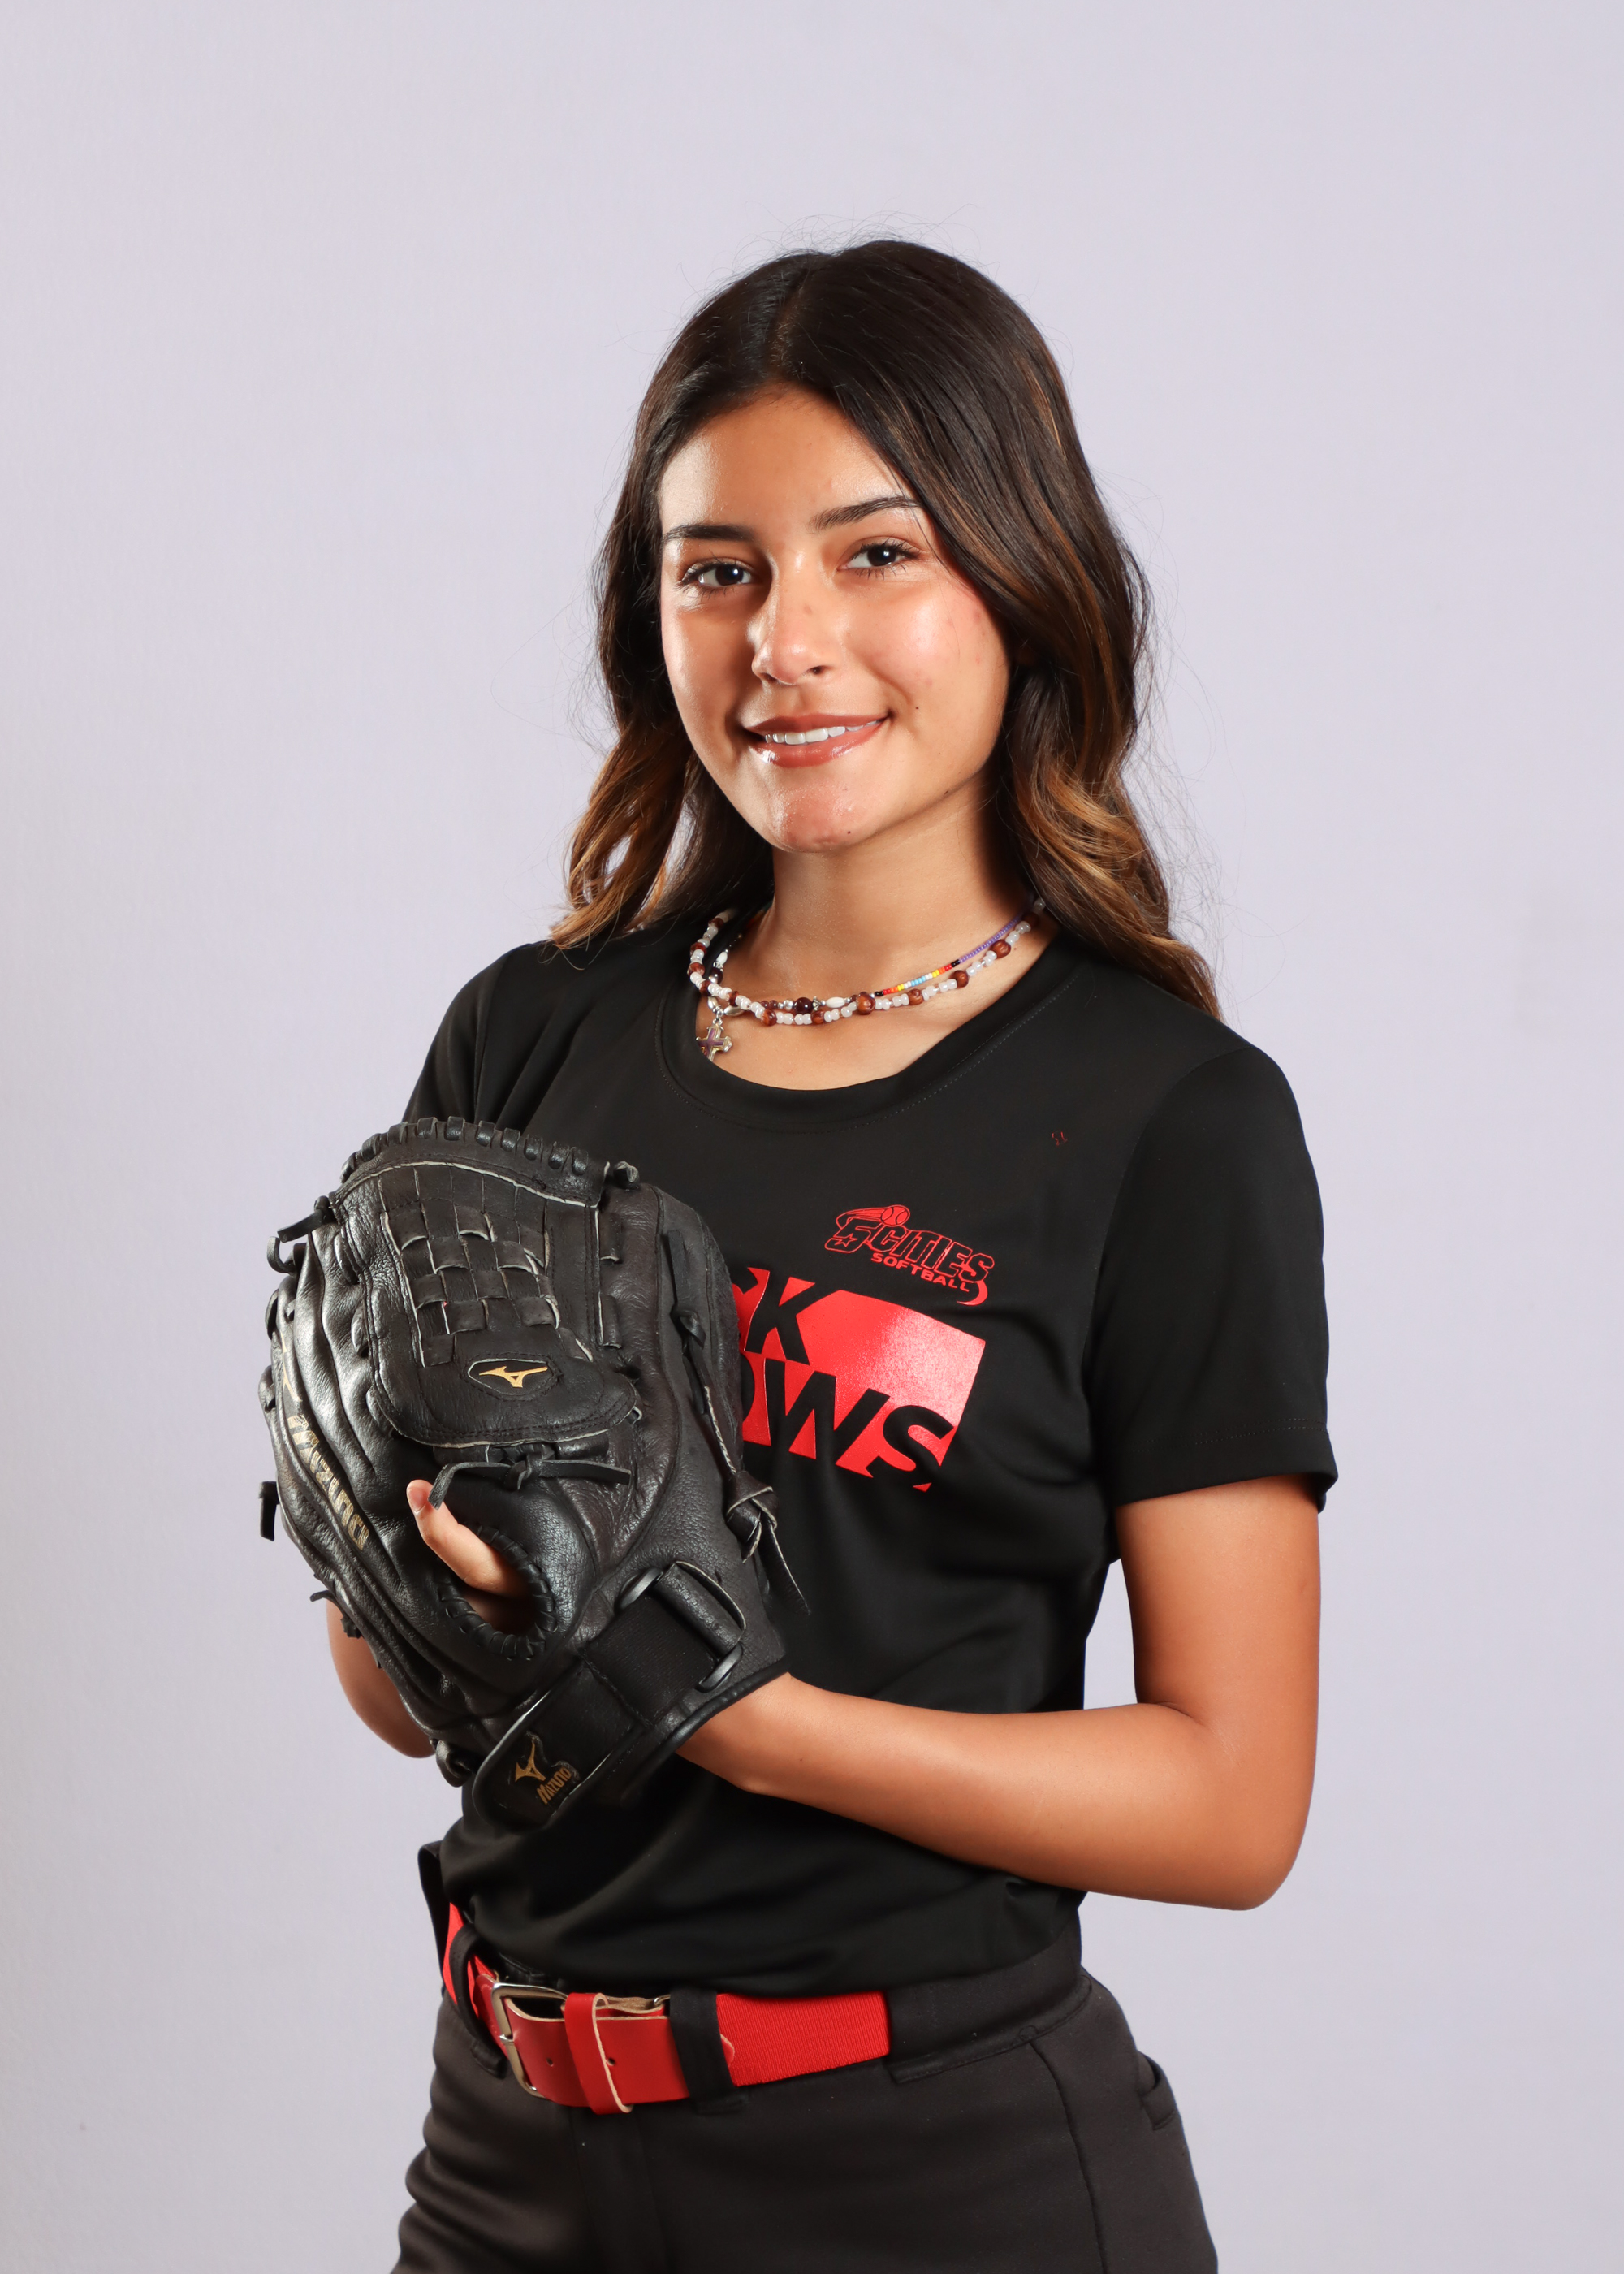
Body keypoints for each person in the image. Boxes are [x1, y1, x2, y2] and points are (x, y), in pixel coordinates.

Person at [326, 240, 1333, 2274]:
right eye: (716, 570)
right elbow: (391, 1690)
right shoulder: (530, 1040)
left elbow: (1231, 1802)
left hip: (930, 2172)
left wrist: (729, 1708)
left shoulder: (1168, 1119)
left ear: (1019, 578)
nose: (787, 640)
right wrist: (427, 1589)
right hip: (511, 2152)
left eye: (876, 553)